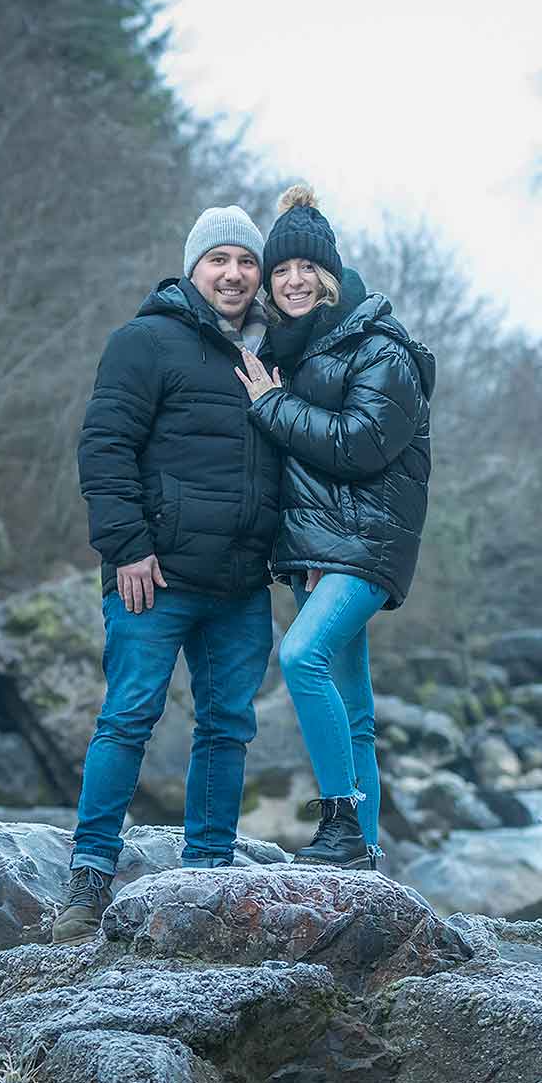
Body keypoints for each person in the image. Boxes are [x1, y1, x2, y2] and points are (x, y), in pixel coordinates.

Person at [54, 204, 282, 943]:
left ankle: (208, 873)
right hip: (153, 578)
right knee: (128, 719)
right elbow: (105, 448)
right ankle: (89, 878)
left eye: (247, 262)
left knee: (226, 729)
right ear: (193, 268)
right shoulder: (144, 342)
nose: (234, 274)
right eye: (219, 259)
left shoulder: (274, 358)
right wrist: (125, 548)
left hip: (242, 585)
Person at [234, 184, 434, 872]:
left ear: (329, 276)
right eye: (280, 269)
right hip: (321, 551)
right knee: (354, 713)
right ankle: (365, 859)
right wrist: (303, 549)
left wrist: (271, 405)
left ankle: (341, 824)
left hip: (370, 544)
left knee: (300, 658)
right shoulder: (286, 350)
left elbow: (360, 445)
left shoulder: (381, 348)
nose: (292, 280)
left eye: (304, 269)